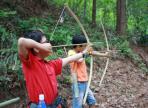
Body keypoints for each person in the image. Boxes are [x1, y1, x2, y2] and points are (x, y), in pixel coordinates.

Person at [18, 30, 91, 108]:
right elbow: (21, 41)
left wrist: (84, 53)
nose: (49, 44)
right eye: (45, 42)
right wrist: (40, 46)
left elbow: (70, 59)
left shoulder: (51, 65)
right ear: (36, 48)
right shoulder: (31, 63)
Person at [68, 35, 110, 108]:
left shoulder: (82, 52)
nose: (84, 48)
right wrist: (86, 50)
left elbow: (92, 52)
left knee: (92, 101)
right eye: (83, 46)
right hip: (76, 83)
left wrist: (104, 55)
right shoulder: (71, 53)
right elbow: (79, 60)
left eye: (85, 46)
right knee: (77, 106)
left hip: (84, 82)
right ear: (78, 46)